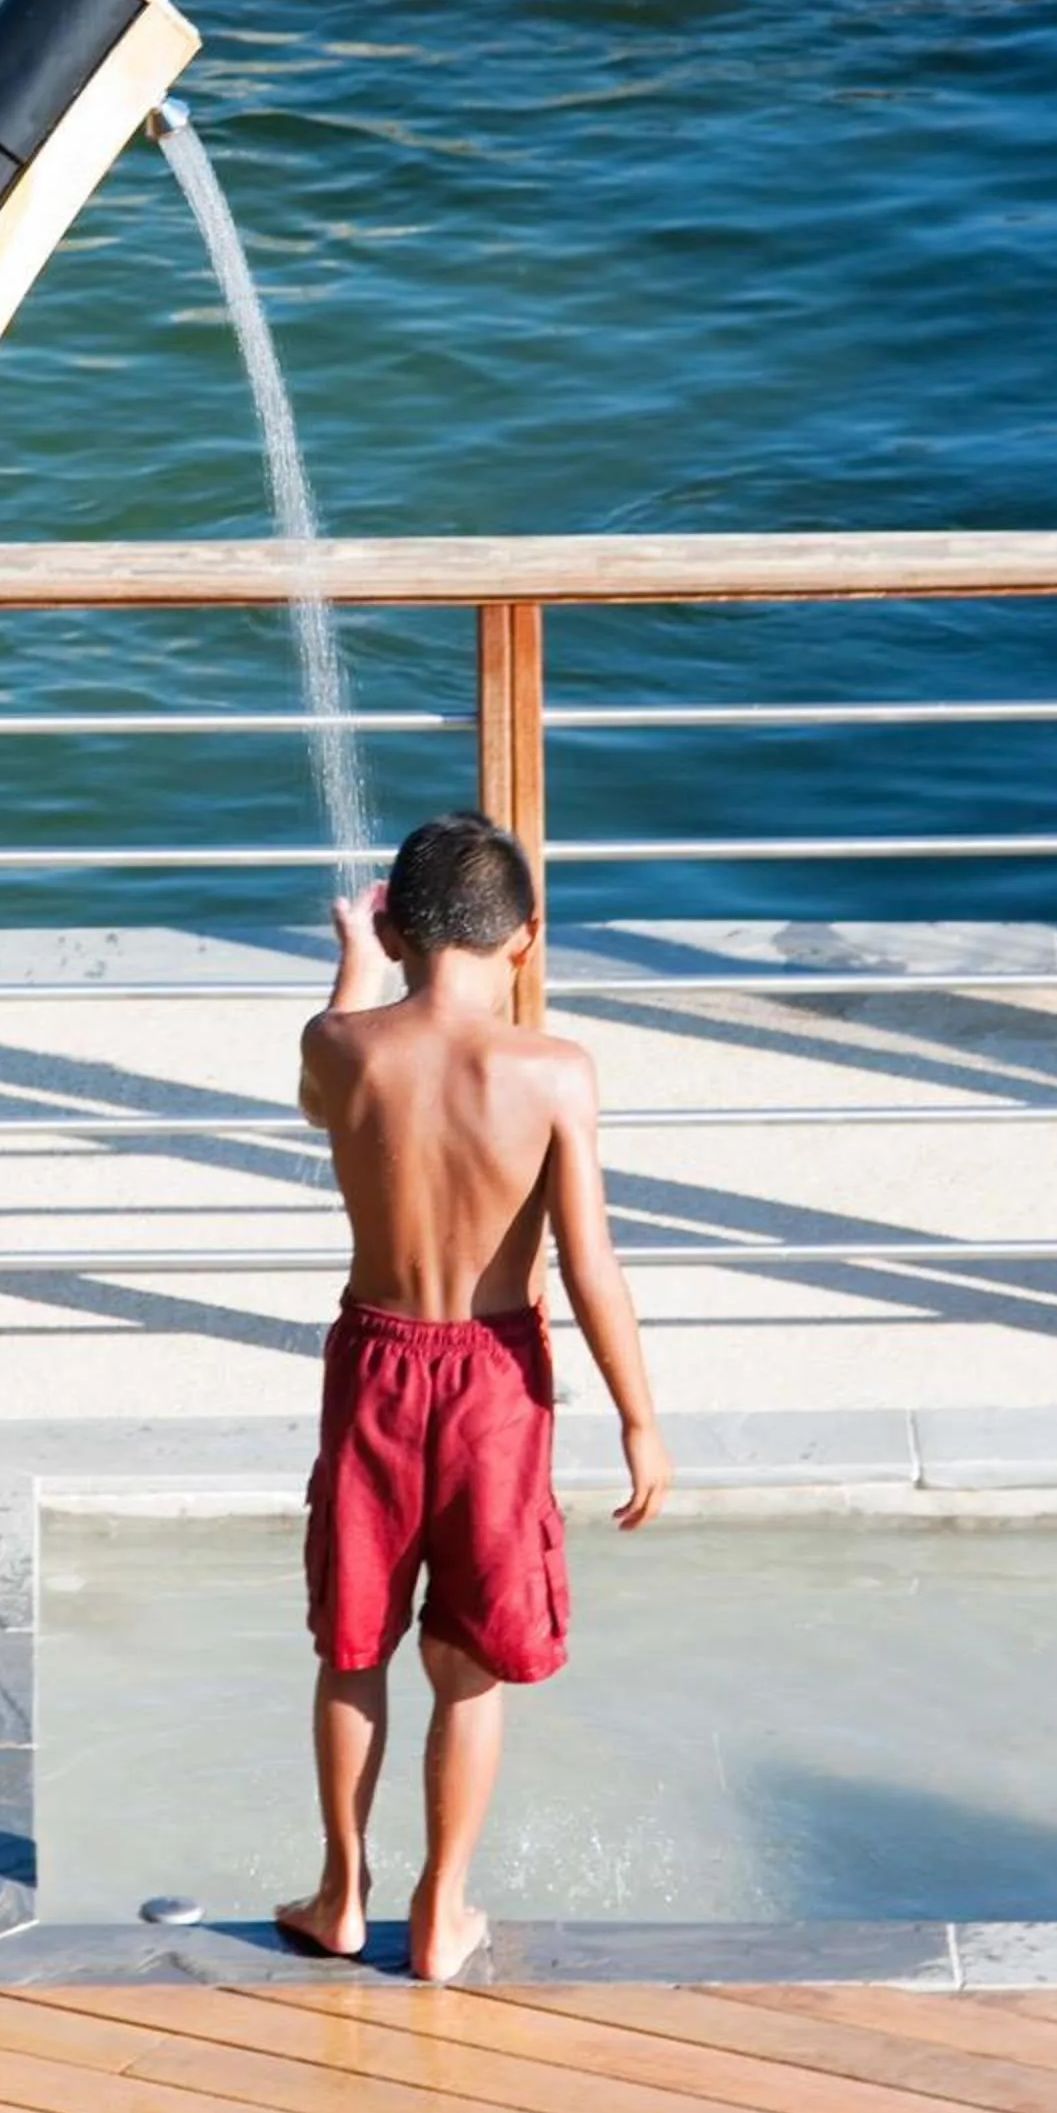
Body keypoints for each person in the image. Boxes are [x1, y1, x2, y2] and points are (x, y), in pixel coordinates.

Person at [275, 810, 670, 1981]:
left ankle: (342, 1896)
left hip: (377, 1363)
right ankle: (442, 1915)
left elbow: (320, 1086)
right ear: (527, 937)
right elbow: (590, 1262)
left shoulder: (343, 1045)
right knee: (471, 1658)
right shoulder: (553, 1074)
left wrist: (352, 958)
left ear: (395, 928)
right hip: (499, 1379)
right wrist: (640, 1418)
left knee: (355, 1644)